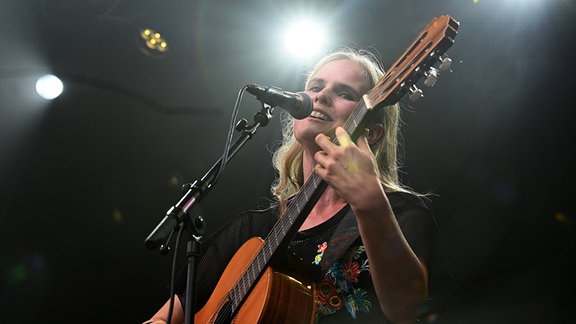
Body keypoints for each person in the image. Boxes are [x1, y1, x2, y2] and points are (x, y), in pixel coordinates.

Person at [144, 48, 450, 324]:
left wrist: (370, 202)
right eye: (316, 87)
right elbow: (168, 315)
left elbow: (408, 311)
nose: (321, 96)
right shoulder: (252, 229)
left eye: (344, 92)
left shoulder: (399, 214)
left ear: (371, 133)